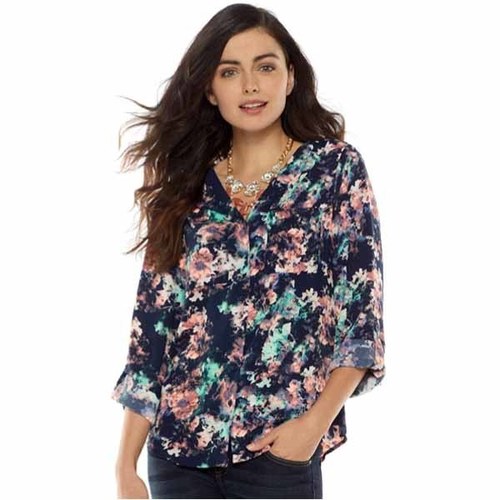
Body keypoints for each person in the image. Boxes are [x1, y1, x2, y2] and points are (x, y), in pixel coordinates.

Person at [111, 3, 386, 499]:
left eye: (265, 66)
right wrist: (125, 466)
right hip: (176, 456)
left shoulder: (334, 171)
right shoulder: (186, 186)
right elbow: (151, 331)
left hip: (278, 452)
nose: (251, 86)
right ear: (209, 90)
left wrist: (311, 428)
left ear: (290, 77)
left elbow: (360, 320)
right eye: (230, 72)